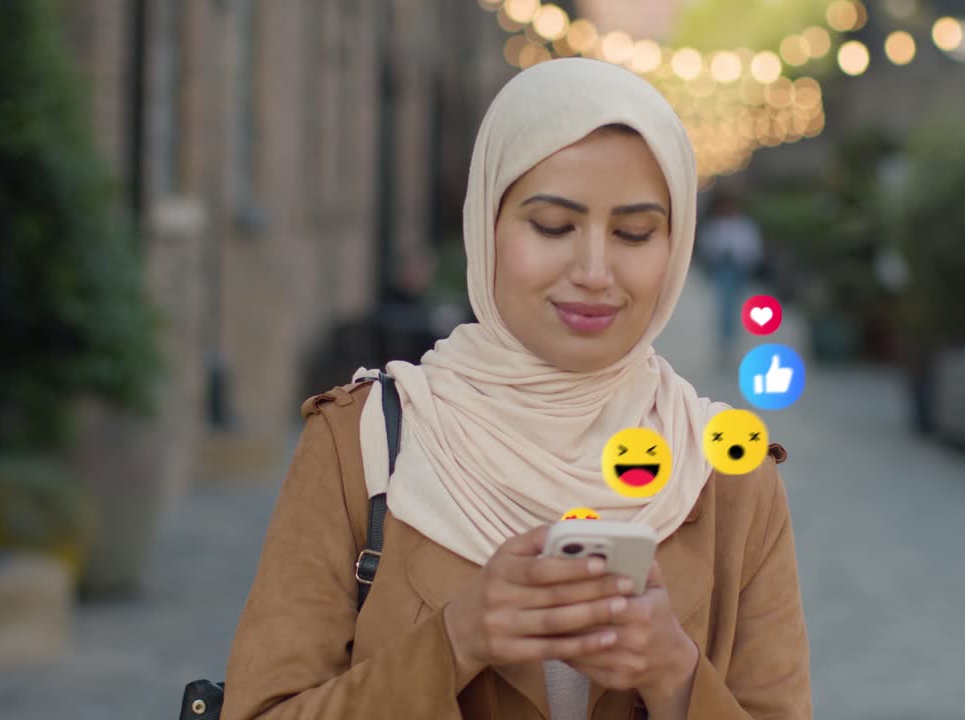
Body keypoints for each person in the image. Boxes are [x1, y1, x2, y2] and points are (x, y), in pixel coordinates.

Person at [222, 58, 811, 720]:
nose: (594, 271)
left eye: (634, 233)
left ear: (675, 249)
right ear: (487, 227)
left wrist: (673, 674)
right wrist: (456, 641)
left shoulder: (728, 476)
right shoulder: (363, 444)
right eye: (553, 226)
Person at [699, 190, 764, 369]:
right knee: (725, 306)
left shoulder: (745, 225)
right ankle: (725, 344)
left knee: (736, 307)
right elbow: (707, 248)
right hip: (723, 269)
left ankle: (734, 342)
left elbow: (752, 248)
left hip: (740, 270)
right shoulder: (715, 225)